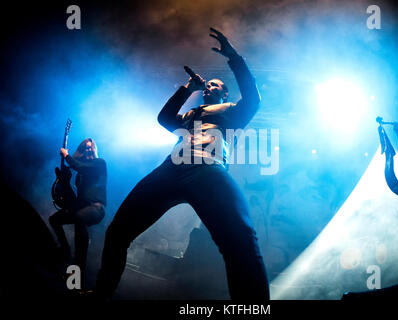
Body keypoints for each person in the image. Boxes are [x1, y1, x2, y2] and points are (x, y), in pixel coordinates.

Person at [94, 28, 269, 300]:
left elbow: (254, 99)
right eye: (207, 85)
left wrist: (234, 57)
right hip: (171, 168)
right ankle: (102, 293)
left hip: (206, 166)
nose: (209, 87)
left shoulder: (231, 111)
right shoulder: (189, 113)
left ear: (224, 93)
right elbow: (165, 119)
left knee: (240, 239)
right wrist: (188, 89)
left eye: (214, 85)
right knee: (118, 231)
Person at [49, 138, 107, 288]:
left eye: (90, 148)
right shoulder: (80, 175)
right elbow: (75, 194)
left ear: (94, 149)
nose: (88, 150)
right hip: (82, 207)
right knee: (54, 220)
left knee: (79, 217)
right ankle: (65, 250)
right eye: (84, 148)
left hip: (96, 208)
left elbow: (79, 166)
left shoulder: (100, 163)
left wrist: (67, 156)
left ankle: (78, 269)